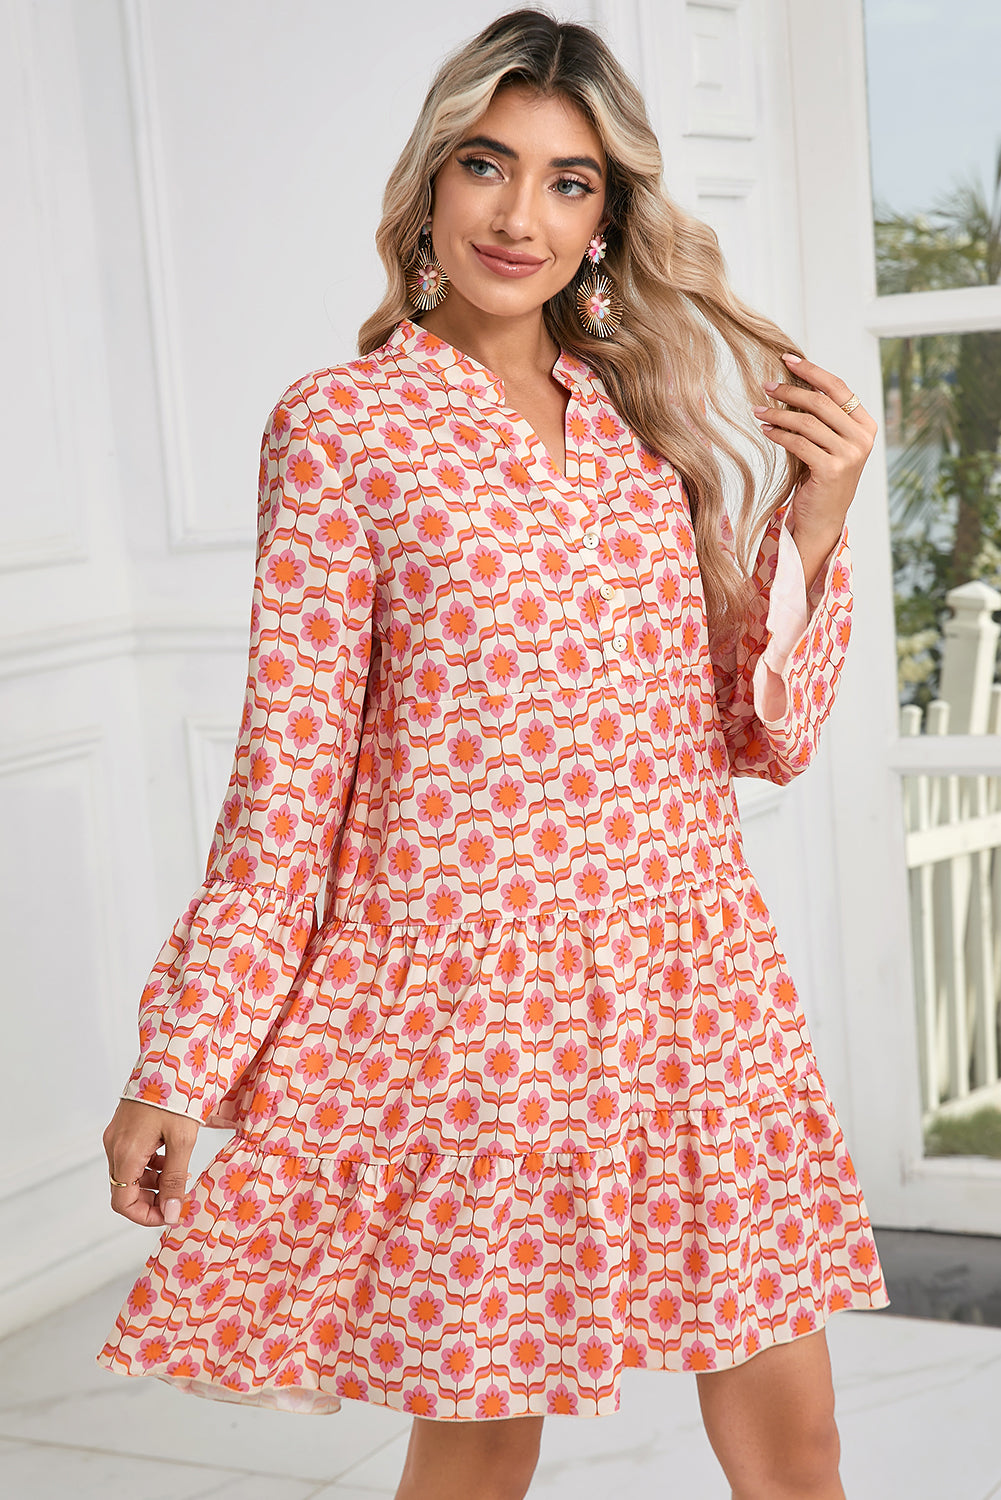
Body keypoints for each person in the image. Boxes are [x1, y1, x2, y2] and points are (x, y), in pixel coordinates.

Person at [98, 8, 887, 1497]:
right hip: (480, 1016)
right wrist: (181, 1066)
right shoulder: (344, 430)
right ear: (430, 186)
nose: (520, 215)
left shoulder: (640, 427)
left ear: (608, 217)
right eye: (486, 164)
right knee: (475, 1454)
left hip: (691, 987)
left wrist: (821, 512)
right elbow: (287, 793)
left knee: (800, 1443)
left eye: (569, 181)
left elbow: (756, 736)